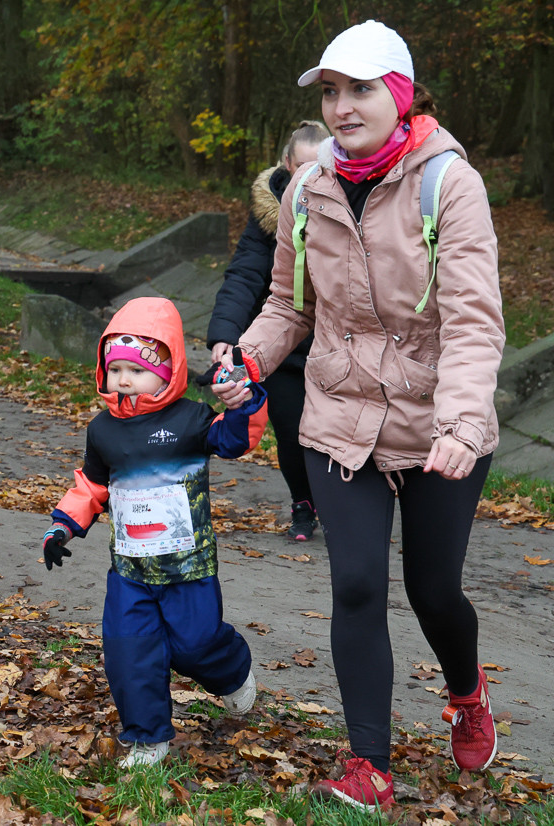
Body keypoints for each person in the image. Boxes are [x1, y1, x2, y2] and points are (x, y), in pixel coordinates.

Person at [212, 20, 504, 811]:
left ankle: (466, 691)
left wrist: (460, 424)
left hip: (439, 422)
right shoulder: (307, 190)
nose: (343, 107)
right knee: (355, 587)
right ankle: (368, 763)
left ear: (401, 95)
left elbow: (475, 322)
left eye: (361, 89)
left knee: (434, 590)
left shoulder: (450, 185)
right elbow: (285, 304)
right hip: (338, 417)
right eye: (331, 92)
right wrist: (248, 358)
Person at [42, 296, 269, 768]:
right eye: (116, 369)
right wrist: (63, 526)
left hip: (187, 565)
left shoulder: (191, 419)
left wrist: (245, 403)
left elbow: (235, 440)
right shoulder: (102, 430)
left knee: (195, 643)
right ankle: (147, 738)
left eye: (138, 369)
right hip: (129, 570)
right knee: (130, 650)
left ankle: (232, 672)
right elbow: (93, 484)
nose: (125, 379)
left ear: (169, 369)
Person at [206, 120, 330, 541]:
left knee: (333, 433)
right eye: (303, 168)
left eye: (322, 166)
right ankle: (303, 503)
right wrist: (225, 333)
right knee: (292, 431)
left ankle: (337, 506)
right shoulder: (270, 213)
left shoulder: (349, 206)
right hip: (283, 348)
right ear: (285, 166)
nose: (312, 177)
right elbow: (244, 277)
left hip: (335, 349)